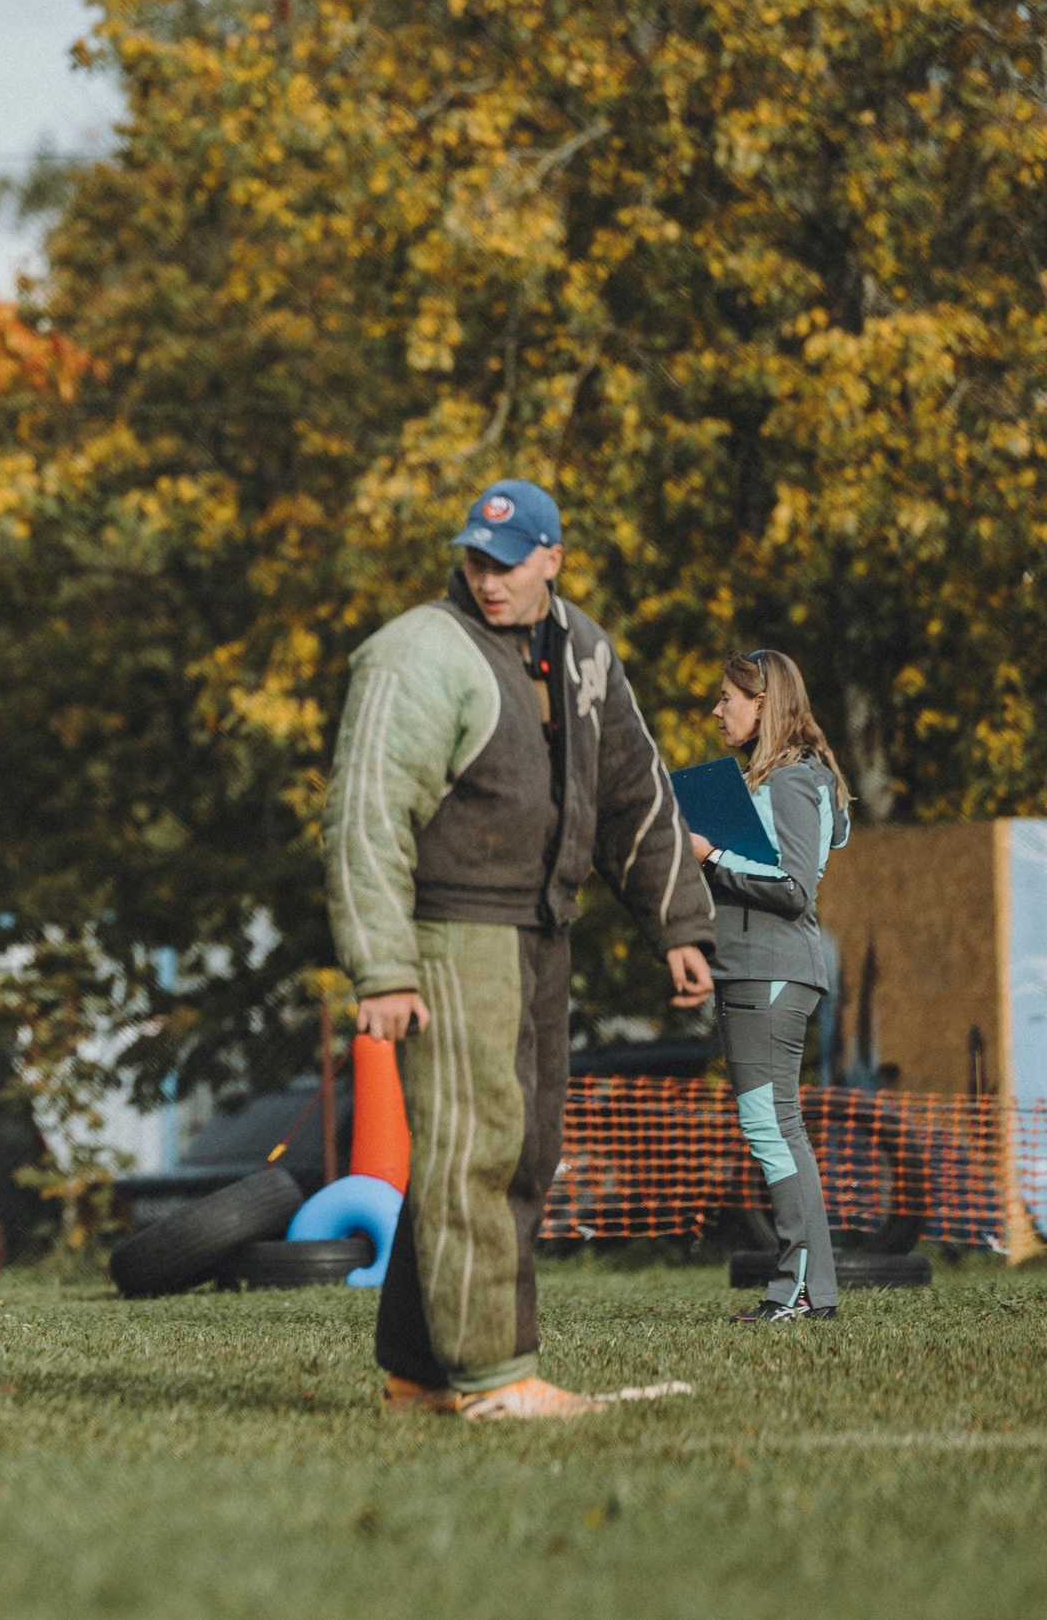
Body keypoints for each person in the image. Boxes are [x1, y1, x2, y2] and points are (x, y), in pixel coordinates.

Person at [325, 479, 716, 1420]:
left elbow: (635, 790)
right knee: (481, 1151)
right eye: (474, 561)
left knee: (522, 1148)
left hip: (541, 931)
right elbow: (364, 814)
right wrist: (383, 968)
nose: (488, 579)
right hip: (454, 932)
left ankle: (419, 1374)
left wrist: (679, 923)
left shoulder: (584, 651)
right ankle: (495, 1381)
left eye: (506, 563)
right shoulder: (418, 653)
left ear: (552, 558)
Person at [687, 649, 850, 1323]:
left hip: (771, 970)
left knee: (771, 1127)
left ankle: (799, 1290)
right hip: (758, 969)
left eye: (729, 698)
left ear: (765, 704)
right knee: (779, 1129)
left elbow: (793, 888)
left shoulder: (787, 781)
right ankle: (815, 1293)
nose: (717, 710)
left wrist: (712, 856)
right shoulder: (796, 778)